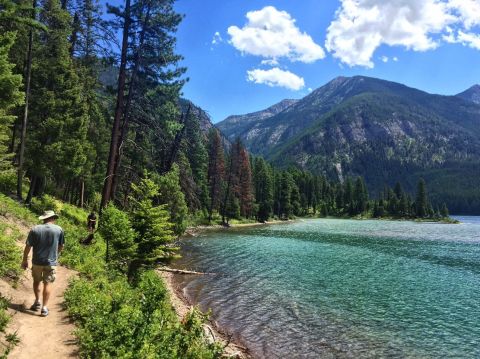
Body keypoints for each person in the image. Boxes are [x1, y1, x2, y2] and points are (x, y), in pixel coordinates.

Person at [21, 210, 64, 317]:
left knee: (36, 281)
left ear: (44, 219)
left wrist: (25, 260)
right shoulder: (59, 230)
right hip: (51, 262)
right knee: (47, 283)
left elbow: (28, 246)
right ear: (53, 218)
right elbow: (61, 246)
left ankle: (37, 301)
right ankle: (44, 308)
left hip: (37, 261)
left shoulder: (35, 229)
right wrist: (56, 254)